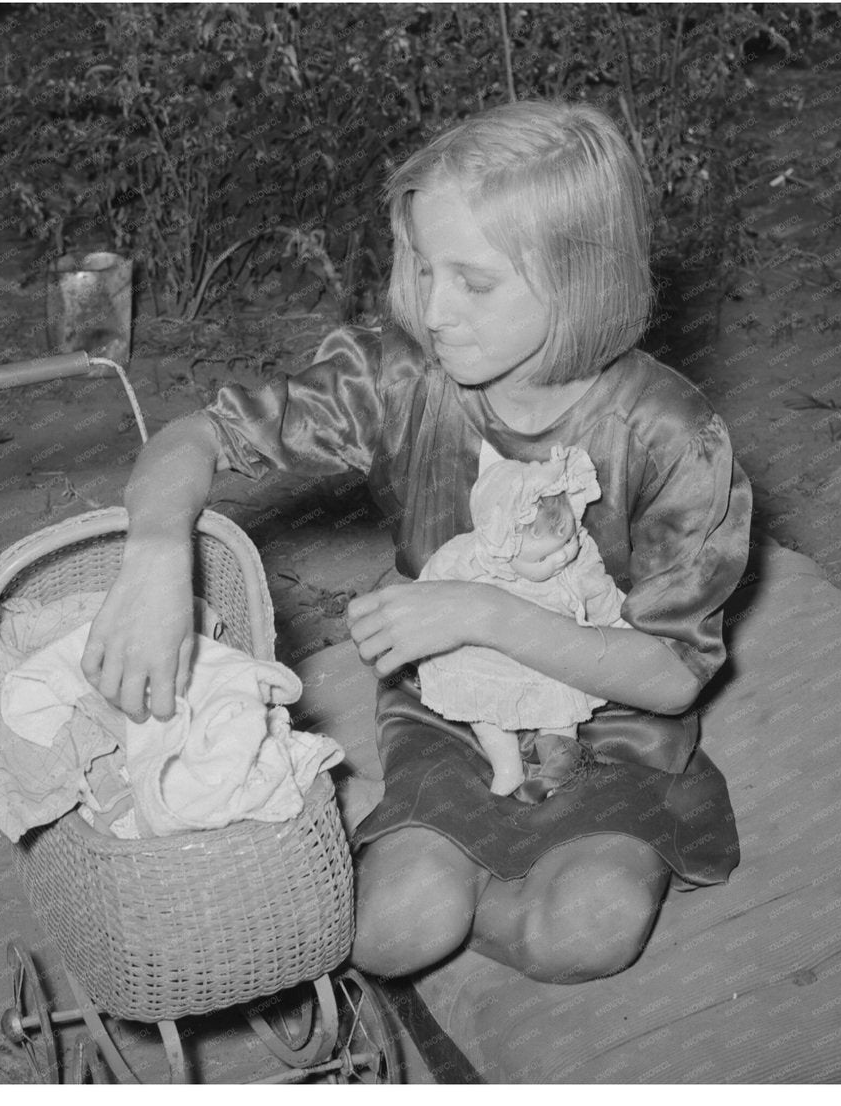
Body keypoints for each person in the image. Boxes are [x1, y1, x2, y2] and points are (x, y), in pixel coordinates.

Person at [82, 100, 751, 985]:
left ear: (580, 275)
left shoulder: (675, 435)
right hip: (447, 703)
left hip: (611, 714)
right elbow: (194, 440)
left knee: (586, 930)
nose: (434, 310)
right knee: (394, 931)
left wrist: (481, 611)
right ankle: (447, 854)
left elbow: (672, 672)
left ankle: (490, 854)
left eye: (473, 282)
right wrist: (157, 555)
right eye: (424, 268)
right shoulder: (403, 375)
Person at [415, 445, 629, 802]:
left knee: (562, 709)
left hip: (551, 658)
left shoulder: (576, 563)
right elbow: (436, 579)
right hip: (491, 657)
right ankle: (507, 767)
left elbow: (601, 594)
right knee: (481, 709)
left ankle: (558, 764)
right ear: (503, 546)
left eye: (568, 540)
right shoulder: (477, 555)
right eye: (543, 556)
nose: (561, 557)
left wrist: (621, 624)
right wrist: (421, 615)